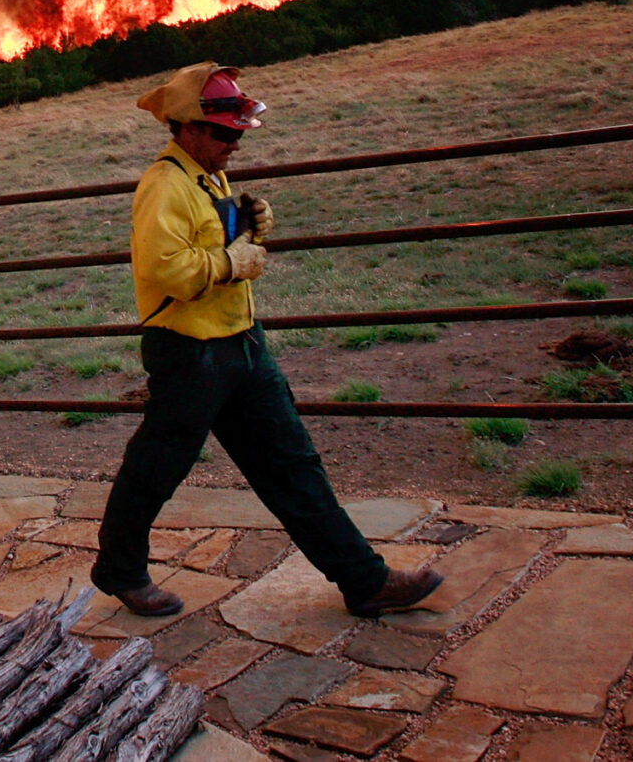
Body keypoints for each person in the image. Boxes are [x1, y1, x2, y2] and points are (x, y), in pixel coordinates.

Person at [89, 62, 443, 620]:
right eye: (225, 133)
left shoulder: (206, 176)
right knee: (156, 469)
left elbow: (211, 242)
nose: (235, 143)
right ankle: (120, 569)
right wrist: (232, 261)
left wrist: (245, 228)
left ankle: (365, 582)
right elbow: (168, 269)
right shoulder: (165, 186)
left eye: (238, 132)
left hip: (239, 345)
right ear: (186, 128)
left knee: (292, 464)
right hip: (190, 353)